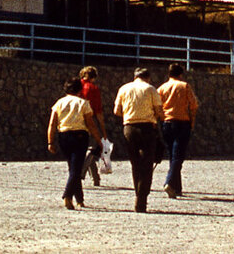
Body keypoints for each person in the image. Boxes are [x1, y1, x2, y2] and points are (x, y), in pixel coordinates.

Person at [113, 66, 164, 212]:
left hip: (129, 127)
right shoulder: (150, 89)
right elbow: (159, 110)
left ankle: (138, 193)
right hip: (147, 128)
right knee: (147, 164)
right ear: (147, 77)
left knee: (135, 163)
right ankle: (142, 199)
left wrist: (130, 113)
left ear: (135, 76)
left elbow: (116, 111)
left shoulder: (123, 88)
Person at [48, 78, 102, 210]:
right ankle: (67, 196)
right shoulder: (83, 103)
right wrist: (98, 140)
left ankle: (80, 200)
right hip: (79, 136)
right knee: (76, 169)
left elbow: (52, 123)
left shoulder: (59, 103)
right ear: (80, 90)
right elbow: (90, 124)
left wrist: (50, 141)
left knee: (73, 168)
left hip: (63, 136)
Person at [157, 63, 199, 199]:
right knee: (178, 156)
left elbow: (157, 107)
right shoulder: (184, 86)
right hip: (182, 123)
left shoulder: (162, 88)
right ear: (180, 74)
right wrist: (192, 122)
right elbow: (194, 105)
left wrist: (162, 118)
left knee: (172, 155)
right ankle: (169, 182)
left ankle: (177, 187)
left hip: (167, 123)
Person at [79, 66, 107, 186]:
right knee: (92, 148)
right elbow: (98, 111)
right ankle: (80, 173)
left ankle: (96, 178)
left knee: (86, 147)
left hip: (75, 120)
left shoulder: (77, 86)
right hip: (89, 119)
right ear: (94, 77)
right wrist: (103, 130)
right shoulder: (93, 89)